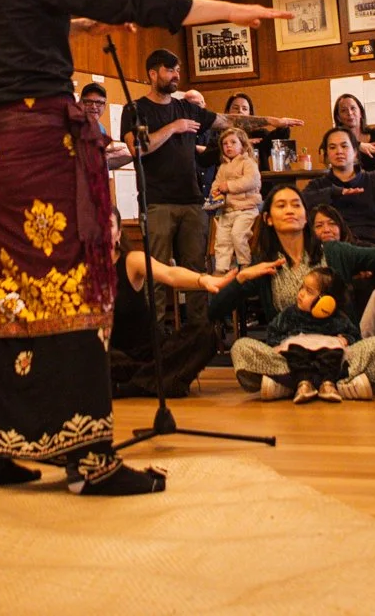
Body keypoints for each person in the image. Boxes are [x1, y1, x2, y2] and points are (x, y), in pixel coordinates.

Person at [0, 0, 287, 496]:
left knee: (15, 293)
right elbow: (130, 1)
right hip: (48, 148)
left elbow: (56, 17)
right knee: (80, 289)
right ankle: (88, 456)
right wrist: (230, 11)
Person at [211, 186, 375, 400]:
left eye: (296, 205)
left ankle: (292, 384)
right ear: (268, 218)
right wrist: (241, 278)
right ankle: (334, 383)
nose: (290, 210)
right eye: (281, 206)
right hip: (292, 355)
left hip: (338, 352)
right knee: (241, 348)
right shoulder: (264, 265)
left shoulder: (333, 252)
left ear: (306, 217)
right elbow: (215, 310)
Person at [125, 49, 223, 323]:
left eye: (178, 70)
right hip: (157, 203)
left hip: (192, 202)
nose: (176, 75)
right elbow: (137, 148)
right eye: (170, 70)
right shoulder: (136, 109)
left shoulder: (186, 107)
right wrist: (174, 127)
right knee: (155, 273)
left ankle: (200, 337)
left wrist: (271, 122)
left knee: (197, 273)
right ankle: (152, 339)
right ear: (153, 74)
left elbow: (224, 120)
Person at [109, 246, 228, 399]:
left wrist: (202, 279)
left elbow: (170, 274)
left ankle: (134, 385)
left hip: (155, 354)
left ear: (118, 233)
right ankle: (158, 382)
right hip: (116, 359)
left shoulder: (132, 260)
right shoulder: (81, 270)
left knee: (205, 334)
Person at [266, 267, 363, 403]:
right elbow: (272, 332)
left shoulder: (338, 319)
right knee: (243, 347)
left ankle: (329, 384)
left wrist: (345, 339)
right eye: (302, 288)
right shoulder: (289, 314)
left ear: (327, 302)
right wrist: (280, 344)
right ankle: (301, 384)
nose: (301, 293)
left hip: (330, 368)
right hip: (295, 366)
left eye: (309, 291)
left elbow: (355, 336)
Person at [209, 127, 262, 271]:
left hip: (246, 209)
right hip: (227, 210)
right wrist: (215, 192)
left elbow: (252, 180)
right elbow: (216, 183)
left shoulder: (248, 163)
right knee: (222, 240)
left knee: (238, 235)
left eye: (233, 142)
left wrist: (229, 186)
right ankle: (222, 269)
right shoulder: (223, 167)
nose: (229, 146)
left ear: (243, 145)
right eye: (225, 144)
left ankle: (245, 264)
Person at [79, 83, 135, 170]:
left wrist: (133, 155)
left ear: (104, 106)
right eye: (88, 102)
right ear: (80, 103)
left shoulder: (101, 129)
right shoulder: (72, 126)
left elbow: (102, 164)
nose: (93, 107)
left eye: (99, 103)